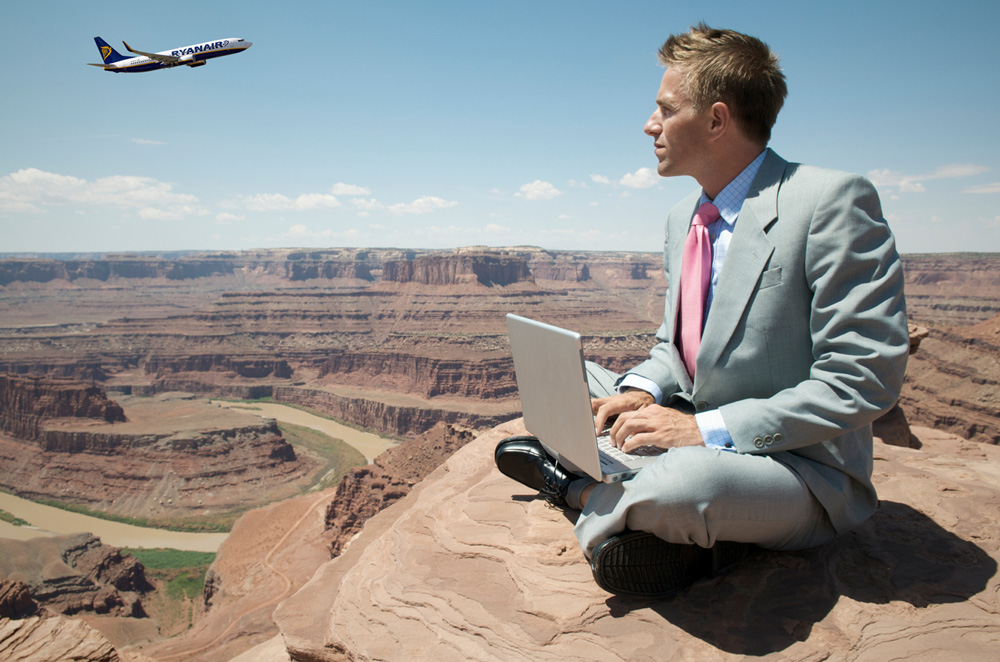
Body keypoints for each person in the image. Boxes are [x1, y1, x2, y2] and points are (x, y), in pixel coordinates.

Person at [495, 23, 909, 598]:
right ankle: (656, 515)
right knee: (571, 383)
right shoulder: (683, 218)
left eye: (666, 109)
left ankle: (575, 489)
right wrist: (641, 392)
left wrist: (700, 430)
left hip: (794, 465)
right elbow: (675, 346)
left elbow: (863, 380)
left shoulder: (830, 202)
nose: (650, 125)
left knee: (689, 481)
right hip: (692, 418)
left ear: (716, 120)